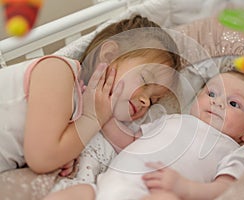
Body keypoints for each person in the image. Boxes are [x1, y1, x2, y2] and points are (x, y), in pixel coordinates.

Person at [0, 14, 181, 178]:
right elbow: (42, 158)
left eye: (153, 100)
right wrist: (92, 118)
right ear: (109, 55)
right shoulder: (59, 72)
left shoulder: (76, 112)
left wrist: (65, 151)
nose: (145, 101)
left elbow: (43, 150)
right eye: (145, 80)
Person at [43, 70, 244, 200]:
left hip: (154, 194)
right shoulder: (172, 121)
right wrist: (103, 115)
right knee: (78, 192)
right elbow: (127, 142)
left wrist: (185, 188)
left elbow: (226, 189)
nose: (217, 102)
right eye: (211, 92)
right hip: (104, 190)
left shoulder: (235, 151)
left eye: (233, 103)